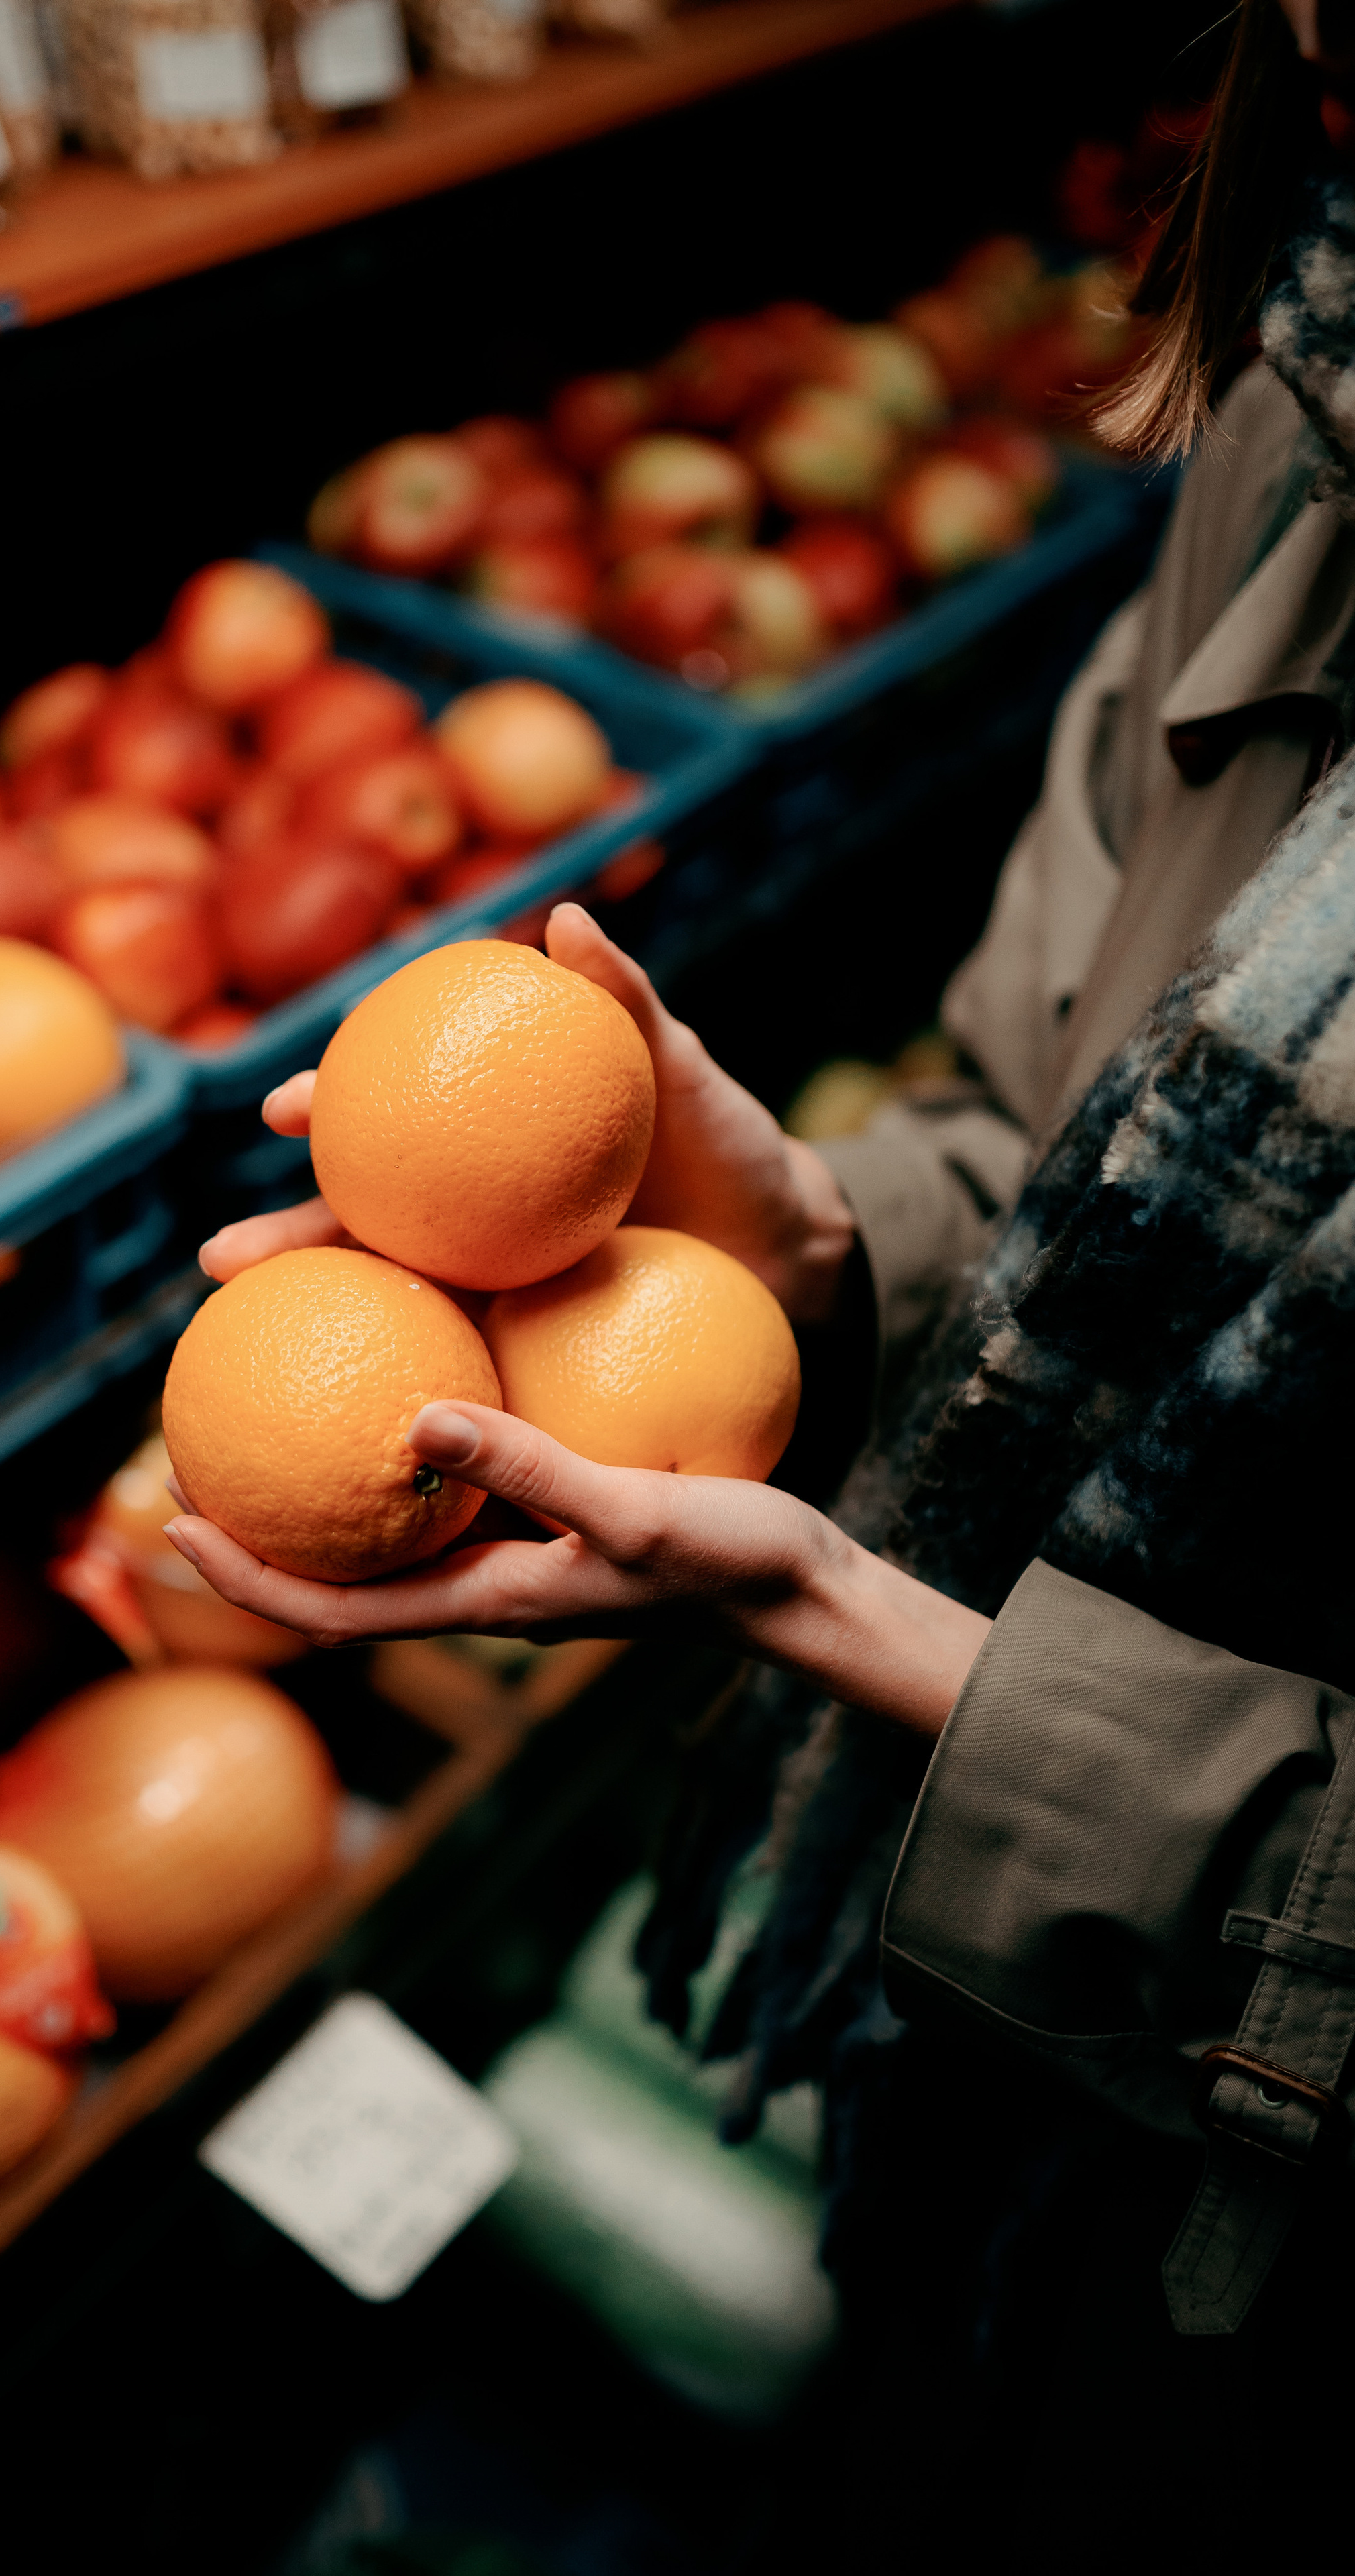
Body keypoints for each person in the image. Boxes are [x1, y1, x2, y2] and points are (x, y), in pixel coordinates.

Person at [168, 1, 1355, 2552]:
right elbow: (1032, 1126)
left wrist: (908, 1643)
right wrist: (800, 1237)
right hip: (955, 2027)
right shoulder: (1303, 380)